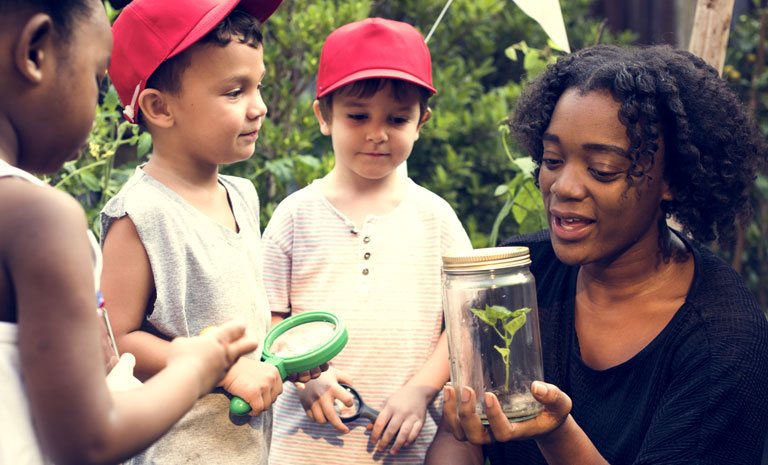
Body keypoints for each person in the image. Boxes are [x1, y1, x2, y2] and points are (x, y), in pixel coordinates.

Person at [425, 44, 768, 465]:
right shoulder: (515, 278)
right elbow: (457, 437)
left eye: (602, 170)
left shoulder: (722, 342)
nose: (563, 187)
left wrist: (557, 434)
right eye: (552, 159)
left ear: (671, 180)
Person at [0, 1, 260, 464]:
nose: (258, 108)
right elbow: (89, 441)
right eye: (99, 79)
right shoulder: (38, 220)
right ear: (34, 53)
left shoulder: (241, 195)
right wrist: (195, 367)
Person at [98, 1, 318, 464]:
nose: (259, 107)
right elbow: (117, 341)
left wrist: (280, 359)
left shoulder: (242, 195)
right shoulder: (140, 214)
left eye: (259, 87)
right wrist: (222, 371)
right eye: (234, 91)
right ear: (159, 107)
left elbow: (243, 316)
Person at [263, 17, 473, 465]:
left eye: (397, 119)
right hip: (302, 445)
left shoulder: (436, 218)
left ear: (422, 122)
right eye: (358, 116)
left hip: (403, 444)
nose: (377, 133)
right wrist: (304, 375)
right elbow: (269, 318)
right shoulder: (294, 216)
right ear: (324, 115)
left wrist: (421, 390)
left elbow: (464, 320)